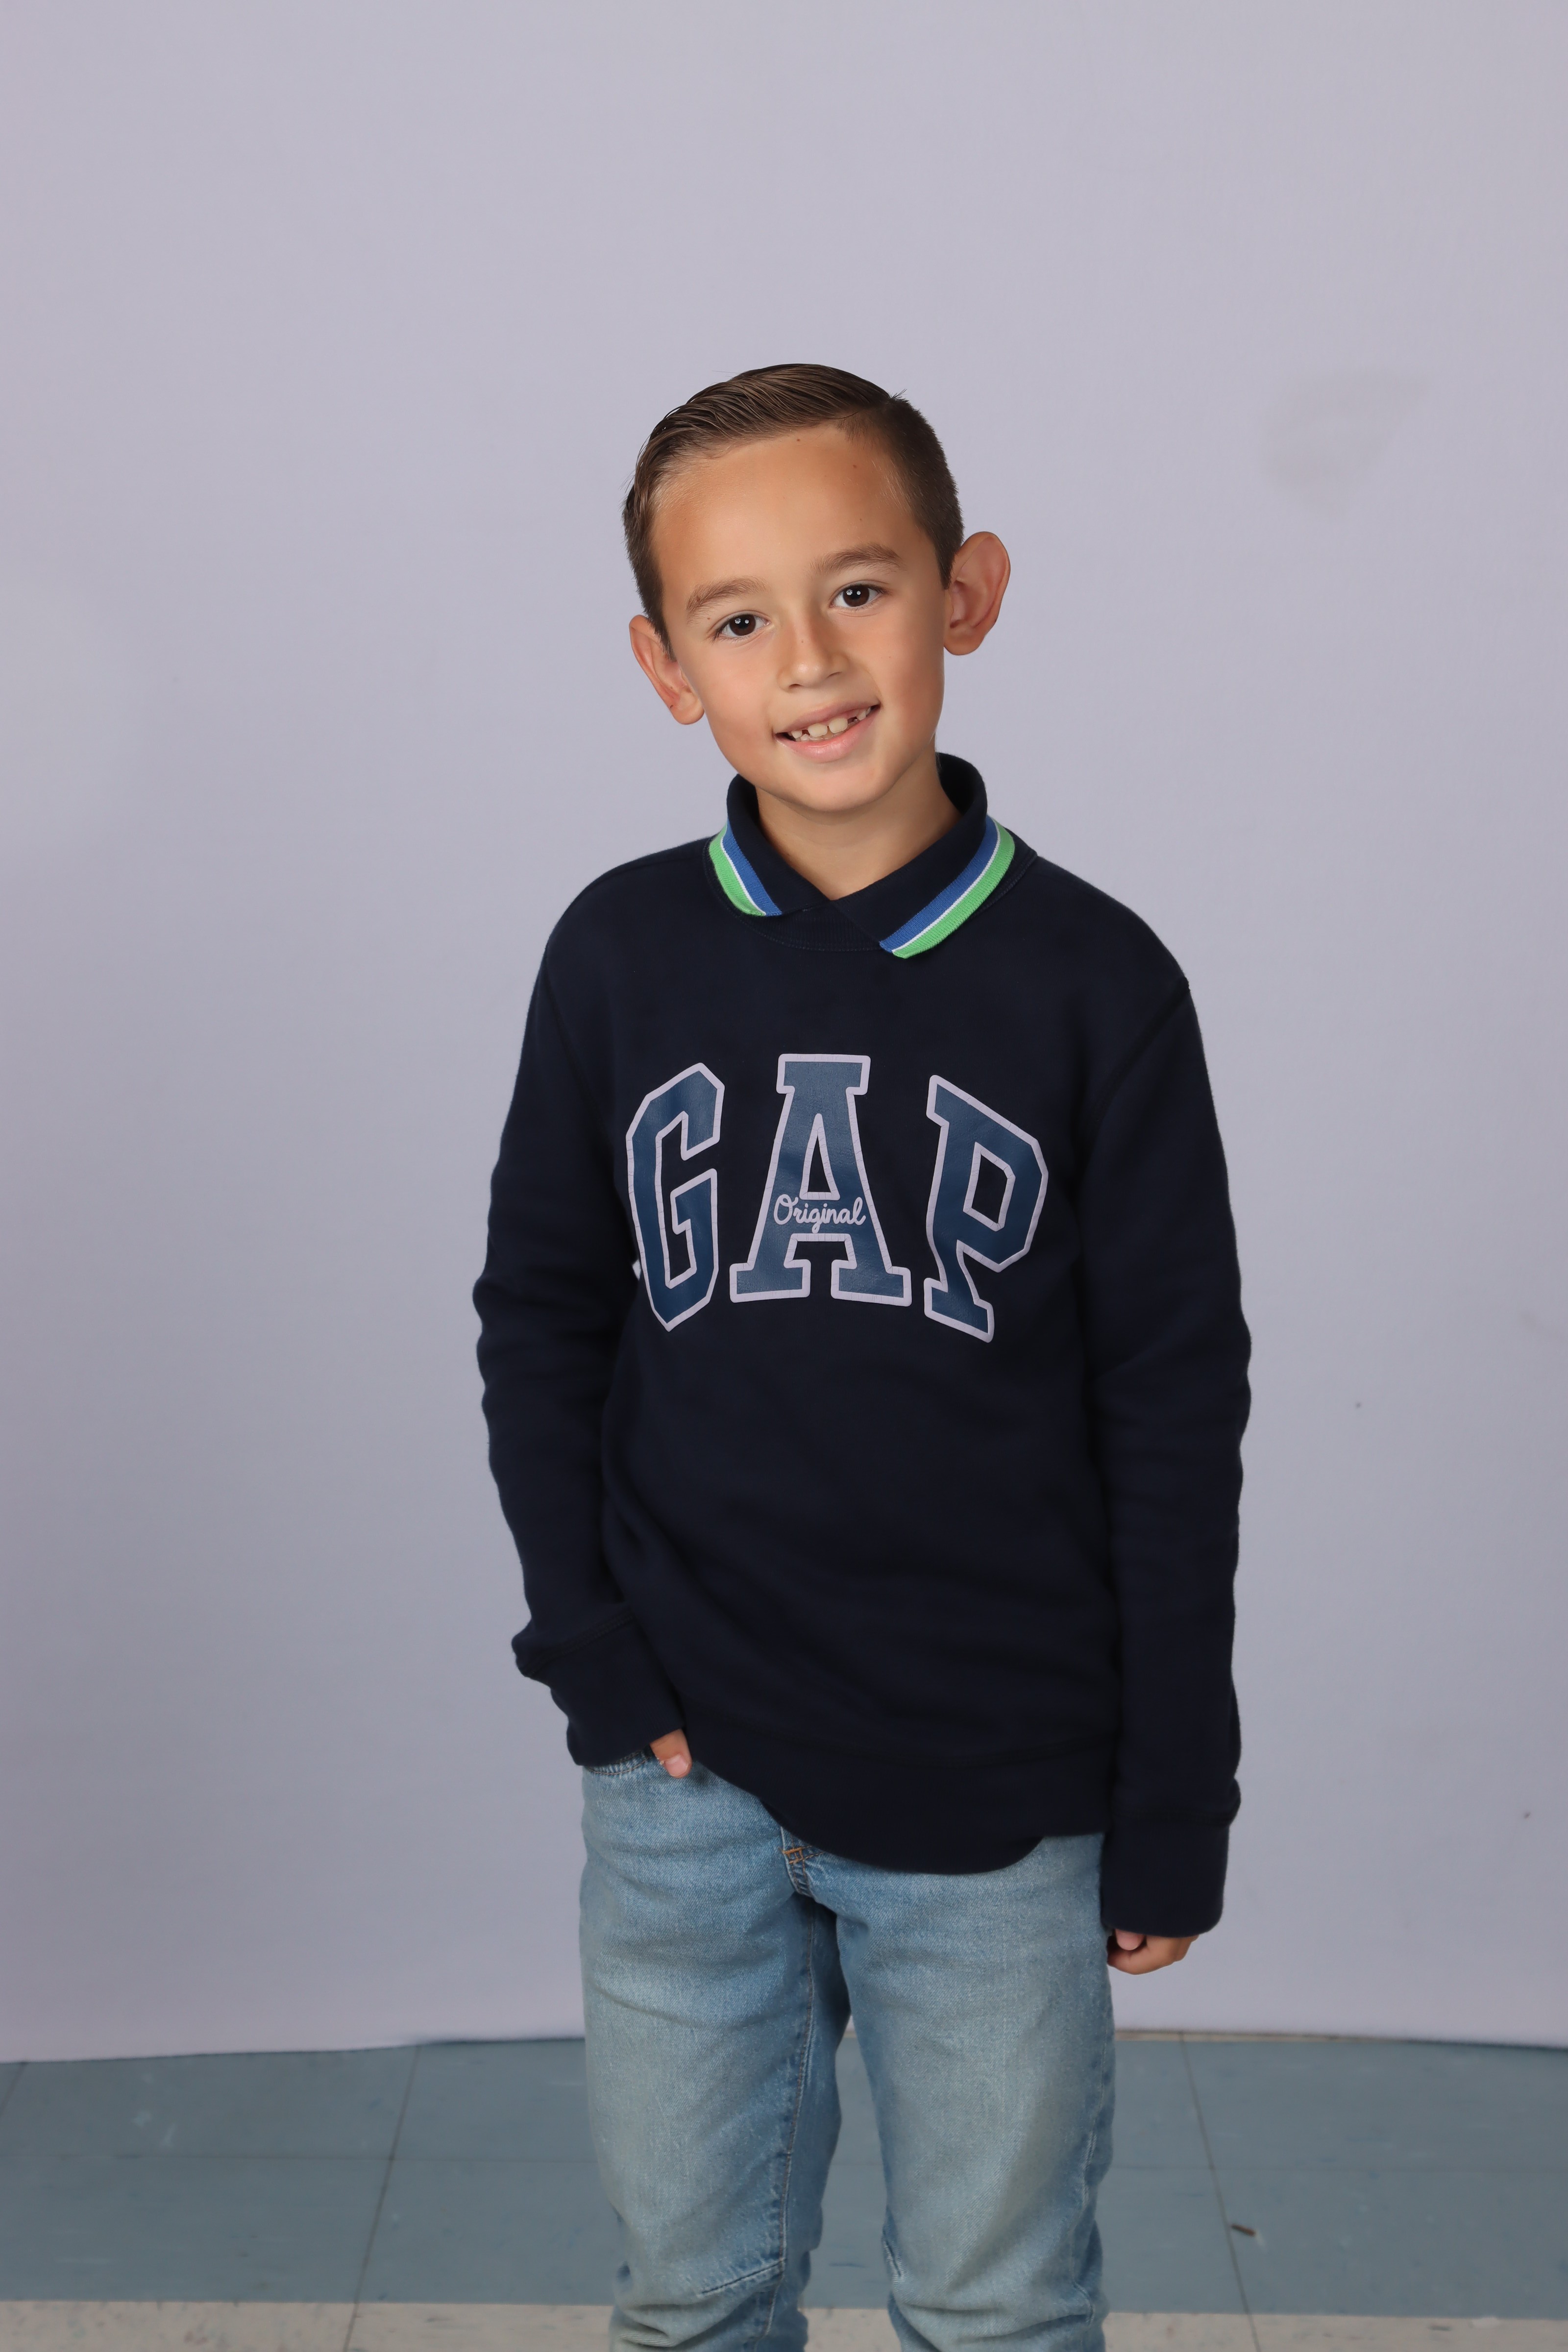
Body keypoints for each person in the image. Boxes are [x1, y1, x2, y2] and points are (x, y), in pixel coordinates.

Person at [474, 364, 1250, 2352]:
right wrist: (593, 1653)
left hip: (999, 1796)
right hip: (685, 1780)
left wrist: (1175, 1790)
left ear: (963, 592)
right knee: (692, 2298)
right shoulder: (618, 955)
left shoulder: (1095, 984)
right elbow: (542, 1318)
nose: (808, 661)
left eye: (858, 591)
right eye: (738, 619)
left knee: (995, 2305)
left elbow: (1173, 1410)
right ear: (667, 670)